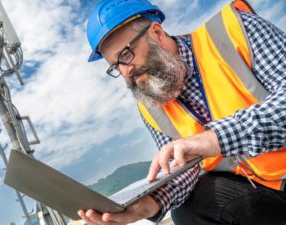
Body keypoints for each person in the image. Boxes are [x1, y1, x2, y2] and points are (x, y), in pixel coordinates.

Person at [78, 0, 286, 224]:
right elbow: (181, 167)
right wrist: (150, 204)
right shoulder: (150, 104)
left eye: (126, 54)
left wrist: (212, 139)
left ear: (156, 32)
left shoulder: (235, 30)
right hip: (264, 191)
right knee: (190, 211)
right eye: (116, 65)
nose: (126, 70)